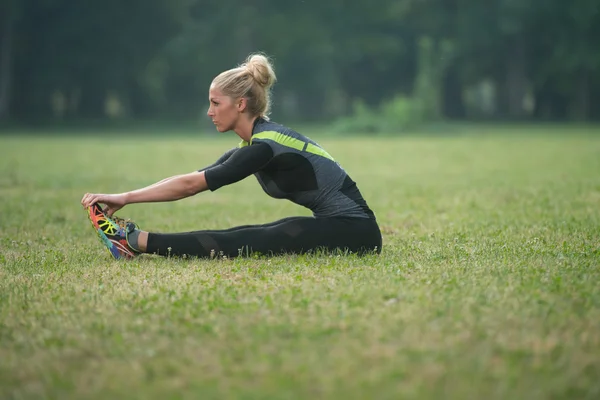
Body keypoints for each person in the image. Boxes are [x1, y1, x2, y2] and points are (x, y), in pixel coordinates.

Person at [81, 53, 382, 260]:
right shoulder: (253, 145)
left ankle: (136, 241)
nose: (210, 111)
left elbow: (191, 185)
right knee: (253, 233)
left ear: (239, 104)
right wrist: (124, 197)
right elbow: (189, 179)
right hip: (340, 226)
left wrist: (125, 197)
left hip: (357, 232)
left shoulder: (264, 146)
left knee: (258, 238)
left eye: (215, 103)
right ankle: (134, 240)